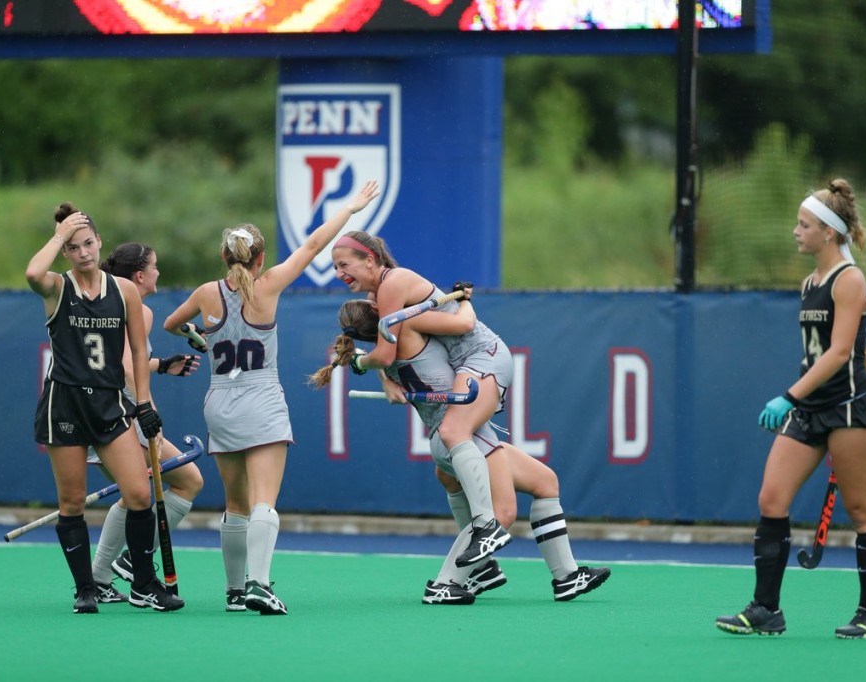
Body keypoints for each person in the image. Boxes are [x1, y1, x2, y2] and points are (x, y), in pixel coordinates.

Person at [163, 180, 380, 614]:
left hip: (219, 401)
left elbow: (171, 323)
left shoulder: (207, 293)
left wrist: (195, 337)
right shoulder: (269, 285)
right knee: (265, 500)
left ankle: (234, 591)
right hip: (260, 397)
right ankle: (260, 584)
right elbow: (315, 242)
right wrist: (352, 208)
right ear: (259, 258)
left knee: (235, 504)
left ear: (224, 257)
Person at [310, 295, 611, 604]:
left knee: (545, 482)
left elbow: (378, 355)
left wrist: (364, 365)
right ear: (380, 313)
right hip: (463, 433)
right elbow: (463, 322)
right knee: (501, 515)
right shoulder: (410, 328)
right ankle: (445, 583)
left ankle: (565, 576)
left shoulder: (383, 352)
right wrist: (465, 298)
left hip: (453, 434)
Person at [716, 179, 866, 639]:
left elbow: (838, 355)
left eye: (805, 224)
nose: (796, 231)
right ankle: (766, 610)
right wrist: (799, 400)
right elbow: (816, 356)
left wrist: (788, 395)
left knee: (861, 511)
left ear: (829, 233)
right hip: (809, 410)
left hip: (849, 408)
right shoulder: (809, 282)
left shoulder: (848, 281)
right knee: (771, 499)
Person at [25, 203, 184, 613]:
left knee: (138, 493)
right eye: (74, 247)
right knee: (72, 502)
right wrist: (60, 233)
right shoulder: (58, 288)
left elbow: (136, 350)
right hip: (64, 404)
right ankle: (85, 589)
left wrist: (145, 403)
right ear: (66, 252)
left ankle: (144, 584)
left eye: (89, 243)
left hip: (110, 404)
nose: (83, 253)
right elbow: (31, 274)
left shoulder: (124, 290)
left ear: (99, 243)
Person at [330, 233, 513, 568]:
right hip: (465, 363)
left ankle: (487, 526)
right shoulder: (382, 294)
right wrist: (382, 377)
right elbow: (388, 348)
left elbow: (387, 353)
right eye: (335, 267)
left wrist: (359, 363)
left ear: (370, 259)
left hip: (480, 356)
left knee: (453, 433)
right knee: (448, 469)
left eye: (344, 264)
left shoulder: (391, 286)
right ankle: (496, 566)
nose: (339, 273)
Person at [83, 242, 206, 603]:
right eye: (154, 267)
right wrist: (146, 409)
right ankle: (136, 567)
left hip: (93, 412)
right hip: (123, 415)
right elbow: (123, 368)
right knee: (184, 482)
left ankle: (103, 576)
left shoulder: (100, 301)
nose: (158, 273)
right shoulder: (139, 309)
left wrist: (161, 365)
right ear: (139, 275)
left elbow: (117, 363)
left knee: (135, 496)